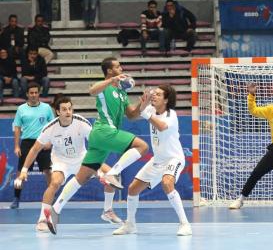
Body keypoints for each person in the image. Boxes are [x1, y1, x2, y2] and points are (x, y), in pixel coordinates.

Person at [43, 57, 148, 235]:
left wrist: (142, 104)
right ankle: (112, 173)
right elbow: (91, 90)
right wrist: (111, 81)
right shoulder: (104, 87)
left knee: (80, 178)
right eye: (117, 66)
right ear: (109, 71)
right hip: (103, 130)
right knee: (142, 146)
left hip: (103, 137)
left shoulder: (122, 93)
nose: (121, 68)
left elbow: (131, 115)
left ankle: (54, 211)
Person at [15, 96, 122, 232]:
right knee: (54, 183)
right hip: (61, 161)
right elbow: (35, 149)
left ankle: (107, 211)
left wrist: (98, 169)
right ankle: (42, 219)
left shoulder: (81, 122)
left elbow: (96, 144)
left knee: (111, 175)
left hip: (83, 158)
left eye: (70, 108)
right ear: (58, 112)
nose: (68, 112)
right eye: (64, 109)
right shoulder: (50, 128)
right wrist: (24, 169)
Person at [113, 85, 191, 236]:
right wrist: (143, 103)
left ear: (166, 100)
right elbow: (133, 115)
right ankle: (130, 225)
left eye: (158, 95)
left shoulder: (171, 114)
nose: (154, 96)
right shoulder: (150, 110)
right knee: (132, 189)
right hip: (158, 160)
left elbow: (161, 126)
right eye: (153, 94)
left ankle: (185, 224)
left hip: (173, 158)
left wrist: (145, 111)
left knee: (167, 182)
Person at [10, 82, 54, 209]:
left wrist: (50, 142)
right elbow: (17, 128)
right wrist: (17, 146)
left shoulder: (46, 108)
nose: (34, 95)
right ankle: (16, 198)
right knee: (20, 172)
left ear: (39, 93)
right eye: (31, 93)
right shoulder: (21, 109)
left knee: (48, 171)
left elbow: (53, 126)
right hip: (27, 143)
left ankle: (51, 198)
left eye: (36, 92)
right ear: (27, 94)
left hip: (43, 142)